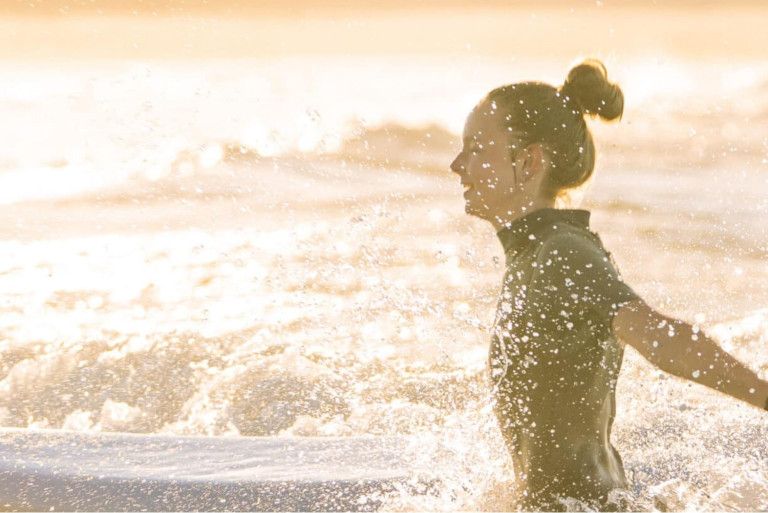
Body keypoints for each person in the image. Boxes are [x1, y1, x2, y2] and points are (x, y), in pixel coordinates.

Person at [449, 59, 768, 511]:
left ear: (529, 160)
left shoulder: (561, 251)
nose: (457, 165)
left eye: (477, 149)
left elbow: (661, 338)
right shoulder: (537, 252)